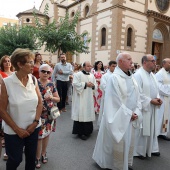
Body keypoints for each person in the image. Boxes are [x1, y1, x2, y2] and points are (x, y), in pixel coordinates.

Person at [93, 52, 142, 170]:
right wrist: (128, 114)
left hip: (130, 116)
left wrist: (136, 111)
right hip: (119, 117)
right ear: (120, 62)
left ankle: (125, 163)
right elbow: (114, 102)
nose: (132, 61)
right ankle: (114, 165)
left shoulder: (132, 77)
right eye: (128, 59)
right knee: (116, 143)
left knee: (128, 142)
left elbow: (137, 96)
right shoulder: (114, 78)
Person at [0, 48, 43, 170]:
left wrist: (35, 123)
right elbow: (2, 110)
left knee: (31, 160)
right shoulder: (7, 83)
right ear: (19, 64)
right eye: (30, 62)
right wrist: (17, 129)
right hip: (13, 131)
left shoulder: (33, 80)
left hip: (33, 128)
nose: (33, 65)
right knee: (15, 160)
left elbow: (40, 103)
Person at [133, 54, 162, 159]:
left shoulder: (152, 75)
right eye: (152, 61)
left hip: (152, 107)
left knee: (152, 128)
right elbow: (138, 93)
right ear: (145, 62)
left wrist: (158, 98)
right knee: (142, 130)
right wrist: (150, 100)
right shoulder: (138, 75)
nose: (155, 63)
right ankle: (139, 151)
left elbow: (156, 88)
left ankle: (151, 148)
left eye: (154, 61)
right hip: (144, 108)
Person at [36, 64, 60, 168]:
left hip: (49, 114)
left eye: (48, 72)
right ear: (39, 72)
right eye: (43, 71)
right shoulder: (34, 83)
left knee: (46, 135)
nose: (46, 73)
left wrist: (51, 97)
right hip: (38, 113)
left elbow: (58, 98)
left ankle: (43, 153)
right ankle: (37, 158)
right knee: (39, 136)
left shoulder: (51, 84)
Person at [72, 61, 97, 140]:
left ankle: (88, 131)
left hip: (89, 97)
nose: (90, 67)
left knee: (88, 112)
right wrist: (86, 84)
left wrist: (93, 86)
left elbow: (95, 85)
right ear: (83, 67)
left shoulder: (92, 76)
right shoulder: (77, 74)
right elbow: (75, 84)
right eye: (88, 66)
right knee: (81, 112)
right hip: (81, 97)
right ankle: (80, 132)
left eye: (90, 66)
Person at [0, 55, 14, 160]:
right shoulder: (0, 74)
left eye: (9, 61)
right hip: (3, 102)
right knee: (3, 129)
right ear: (2, 63)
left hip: (13, 103)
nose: (7, 63)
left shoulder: (15, 74)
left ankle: (8, 151)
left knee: (10, 128)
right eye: (5, 61)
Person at [97, 60, 117, 126]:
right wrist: (112, 91)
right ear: (109, 66)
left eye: (115, 66)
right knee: (106, 111)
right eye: (113, 66)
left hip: (116, 97)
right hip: (108, 97)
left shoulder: (117, 75)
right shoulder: (105, 76)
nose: (114, 68)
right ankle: (104, 125)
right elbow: (103, 85)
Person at [155, 58, 170, 140]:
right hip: (162, 98)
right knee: (160, 116)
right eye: (169, 63)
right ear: (164, 64)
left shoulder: (168, 74)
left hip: (167, 99)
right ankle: (157, 133)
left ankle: (163, 132)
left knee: (166, 116)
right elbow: (159, 87)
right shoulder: (159, 74)